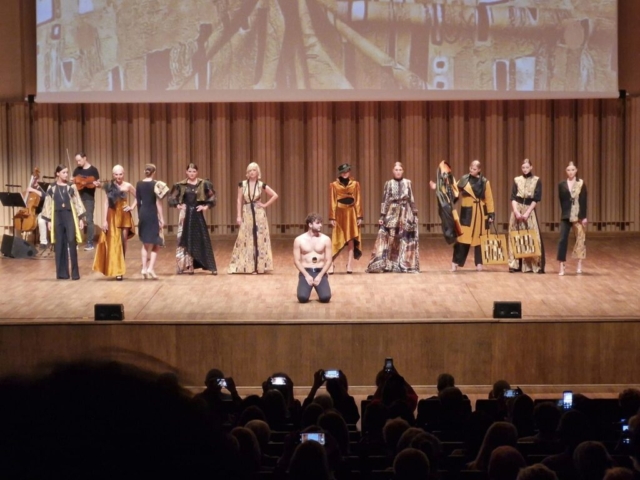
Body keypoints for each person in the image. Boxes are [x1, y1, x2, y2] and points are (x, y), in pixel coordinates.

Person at [366, 162, 419, 273]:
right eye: (396, 170)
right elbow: (385, 200)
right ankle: (387, 263)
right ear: (393, 171)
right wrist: (382, 215)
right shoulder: (388, 184)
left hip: (405, 212)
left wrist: (415, 214)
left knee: (403, 238)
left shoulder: (408, 183)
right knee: (390, 237)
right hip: (392, 211)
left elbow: (411, 199)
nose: (398, 172)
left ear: (403, 171)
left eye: (400, 170)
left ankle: (402, 264)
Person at [228, 162, 278, 274]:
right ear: (247, 172)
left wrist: (265, 205)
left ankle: (259, 266)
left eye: (254, 170)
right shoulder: (242, 184)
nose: (252, 172)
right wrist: (238, 215)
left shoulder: (261, 185)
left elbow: (275, 195)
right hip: (247, 212)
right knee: (246, 238)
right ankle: (246, 266)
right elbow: (239, 200)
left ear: (257, 172)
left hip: (258, 213)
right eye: (250, 170)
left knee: (259, 238)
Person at [168, 163, 217, 275]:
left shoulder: (203, 184)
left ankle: (210, 266)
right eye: (189, 171)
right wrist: (178, 205)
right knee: (184, 239)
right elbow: (171, 197)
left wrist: (205, 206)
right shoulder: (181, 185)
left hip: (197, 214)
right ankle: (188, 266)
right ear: (186, 172)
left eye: (194, 171)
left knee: (202, 238)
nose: (192, 173)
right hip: (185, 215)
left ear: (197, 172)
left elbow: (212, 196)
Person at [41, 165, 86, 280]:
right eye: (64, 172)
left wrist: (81, 218)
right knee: (59, 243)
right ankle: (62, 273)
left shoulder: (71, 186)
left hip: (69, 215)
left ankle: (75, 273)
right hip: (57, 216)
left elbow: (77, 201)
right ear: (57, 173)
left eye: (67, 172)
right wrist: (49, 221)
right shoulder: (52, 187)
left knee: (71, 241)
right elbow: (47, 203)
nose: (66, 174)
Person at [92, 165, 136, 280]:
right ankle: (117, 270)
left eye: (120, 174)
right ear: (113, 175)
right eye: (116, 174)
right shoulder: (110, 186)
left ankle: (120, 266)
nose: (118, 176)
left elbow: (138, 196)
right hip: (112, 215)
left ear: (123, 174)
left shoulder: (128, 185)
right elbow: (106, 203)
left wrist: (132, 207)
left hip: (124, 215)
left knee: (123, 241)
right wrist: (104, 220)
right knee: (114, 242)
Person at [451, 160, 495, 272]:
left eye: (474, 169)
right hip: (467, 213)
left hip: (480, 213)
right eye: (471, 168)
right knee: (463, 238)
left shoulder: (485, 182)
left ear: (479, 170)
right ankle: (455, 262)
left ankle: (479, 263)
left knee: (480, 239)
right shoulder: (464, 179)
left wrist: (491, 214)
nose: (472, 170)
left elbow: (489, 199)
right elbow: (454, 190)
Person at [508, 158, 545, 273]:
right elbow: (513, 197)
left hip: (529, 209)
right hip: (517, 208)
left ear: (531, 167)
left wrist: (527, 212)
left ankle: (530, 265)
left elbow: (536, 199)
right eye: (523, 167)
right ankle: (514, 264)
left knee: (531, 236)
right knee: (514, 235)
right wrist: (516, 211)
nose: (525, 169)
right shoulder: (517, 180)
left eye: (527, 167)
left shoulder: (536, 180)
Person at [136, 164, 169, 279]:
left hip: (143, 213)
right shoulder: (156, 184)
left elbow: (138, 201)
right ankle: (150, 268)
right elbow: (158, 203)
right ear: (154, 172)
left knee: (145, 243)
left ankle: (144, 269)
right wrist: (162, 218)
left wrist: (139, 215)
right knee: (157, 243)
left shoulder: (139, 184)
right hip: (152, 214)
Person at [329, 163, 363, 274]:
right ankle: (331, 263)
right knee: (337, 239)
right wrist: (332, 217)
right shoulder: (334, 185)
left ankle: (349, 264)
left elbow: (358, 200)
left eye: (347, 171)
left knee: (351, 238)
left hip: (351, 213)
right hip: (339, 213)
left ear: (349, 171)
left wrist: (359, 216)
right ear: (340, 173)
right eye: (343, 172)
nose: (345, 173)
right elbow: (332, 201)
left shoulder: (355, 184)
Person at [293, 213, 332, 303]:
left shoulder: (326, 239)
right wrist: (307, 276)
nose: (320, 225)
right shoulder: (299, 240)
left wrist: (320, 276)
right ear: (310, 224)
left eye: (321, 223)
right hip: (306, 271)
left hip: (320, 271)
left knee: (325, 297)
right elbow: (296, 261)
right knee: (302, 298)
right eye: (318, 223)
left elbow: (329, 260)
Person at [557, 161, 587, 276]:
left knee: (580, 239)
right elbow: (562, 200)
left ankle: (579, 264)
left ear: (576, 170)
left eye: (573, 170)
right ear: (566, 171)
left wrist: (583, 217)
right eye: (568, 170)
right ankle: (561, 264)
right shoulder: (562, 184)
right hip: (566, 215)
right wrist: (565, 211)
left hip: (578, 215)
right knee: (562, 239)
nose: (571, 172)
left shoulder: (581, 183)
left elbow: (583, 200)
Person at [72, 152, 100, 250]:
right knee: (75, 220)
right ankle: (75, 242)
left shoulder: (93, 170)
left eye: (79, 160)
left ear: (85, 158)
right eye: (76, 161)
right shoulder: (77, 170)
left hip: (89, 198)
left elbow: (97, 183)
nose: (78, 162)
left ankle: (90, 243)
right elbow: (74, 183)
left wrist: (97, 184)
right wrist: (73, 181)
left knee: (89, 220)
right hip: (78, 198)